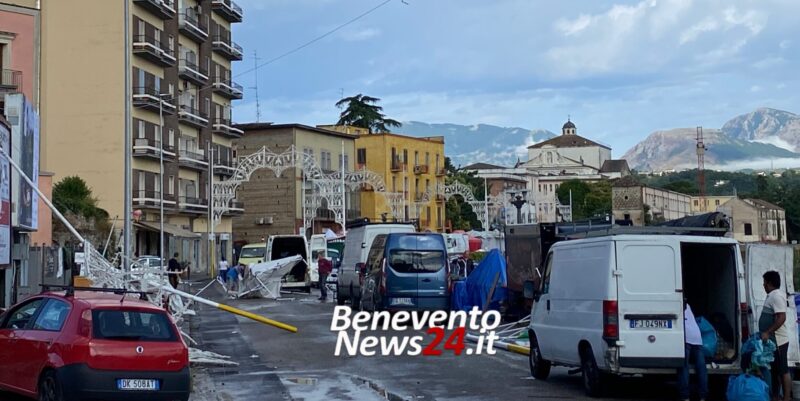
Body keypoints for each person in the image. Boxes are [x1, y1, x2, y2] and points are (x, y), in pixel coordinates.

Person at [761, 270, 791, 401]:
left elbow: (781, 318)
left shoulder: (776, 296)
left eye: (764, 282)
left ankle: (786, 397)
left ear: (769, 283)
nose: (763, 285)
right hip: (773, 341)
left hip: (779, 340)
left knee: (783, 370)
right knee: (775, 370)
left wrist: (768, 332)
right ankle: (775, 396)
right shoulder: (772, 295)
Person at [678, 302, 707, 401]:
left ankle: (685, 396)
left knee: (684, 367)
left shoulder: (677, 303)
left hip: (686, 337)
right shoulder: (688, 305)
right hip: (697, 337)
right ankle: (703, 396)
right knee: (701, 368)